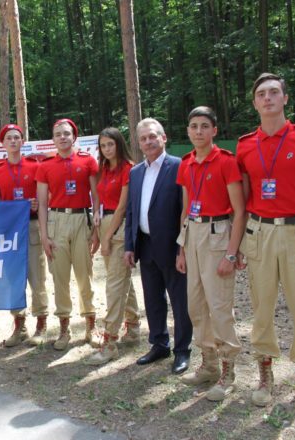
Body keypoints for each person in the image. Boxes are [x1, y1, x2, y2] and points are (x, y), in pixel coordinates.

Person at [236, 73, 295, 413]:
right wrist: (237, 245)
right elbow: (242, 200)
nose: (268, 98)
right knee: (261, 309)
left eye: (274, 92)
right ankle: (265, 375)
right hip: (259, 233)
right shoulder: (245, 145)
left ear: (285, 98)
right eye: (261, 93)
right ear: (255, 102)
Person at [174, 107, 245, 400]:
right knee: (196, 305)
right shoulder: (186, 163)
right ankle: (209, 364)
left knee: (219, 307)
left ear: (214, 130)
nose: (198, 131)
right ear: (188, 131)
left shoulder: (226, 161)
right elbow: (185, 209)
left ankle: (229, 371)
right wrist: (181, 249)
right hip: (193, 234)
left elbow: (239, 211)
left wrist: (231, 254)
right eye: (194, 126)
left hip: (218, 233)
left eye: (204, 126)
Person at [124, 118, 192, 375]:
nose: (148, 141)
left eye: (153, 136)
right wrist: (129, 245)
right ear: (138, 143)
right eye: (143, 138)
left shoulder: (179, 166)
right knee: (152, 299)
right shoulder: (135, 172)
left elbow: (185, 210)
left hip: (173, 245)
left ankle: (182, 349)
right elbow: (131, 211)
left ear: (163, 138)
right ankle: (159, 344)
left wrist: (182, 248)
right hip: (145, 244)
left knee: (180, 300)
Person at [36, 118, 100, 351]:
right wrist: (44, 236)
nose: (62, 137)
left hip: (82, 219)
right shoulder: (45, 166)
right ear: (53, 139)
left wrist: (96, 231)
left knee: (85, 275)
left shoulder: (88, 161)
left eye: (66, 133)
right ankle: (64, 328)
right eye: (58, 134)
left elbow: (96, 198)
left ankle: (91, 325)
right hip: (57, 220)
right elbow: (42, 204)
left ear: (74, 136)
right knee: (60, 277)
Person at [0, 124, 49, 347]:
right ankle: (20, 325)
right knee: (13, 280)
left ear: (23, 141)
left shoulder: (35, 166)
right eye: (9, 138)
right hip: (9, 232)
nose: (13, 141)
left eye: (17, 137)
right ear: (3, 143)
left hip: (31, 226)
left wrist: (36, 204)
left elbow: (45, 198)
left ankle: (41, 325)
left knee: (37, 278)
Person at [86, 128, 141, 365]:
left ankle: (110, 341)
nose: (107, 149)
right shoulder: (103, 168)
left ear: (119, 144)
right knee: (121, 279)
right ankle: (134, 325)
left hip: (120, 227)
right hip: (105, 223)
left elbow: (122, 207)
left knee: (114, 285)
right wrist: (98, 229)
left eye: (111, 144)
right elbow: (99, 199)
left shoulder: (129, 168)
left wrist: (107, 237)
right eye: (103, 145)